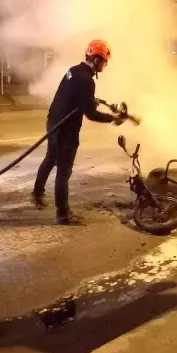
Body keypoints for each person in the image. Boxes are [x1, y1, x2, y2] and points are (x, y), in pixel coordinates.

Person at [32, 39, 126, 225]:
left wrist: (91, 100)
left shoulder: (73, 70)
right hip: (66, 130)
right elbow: (90, 114)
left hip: (53, 122)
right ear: (97, 59)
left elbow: (74, 95)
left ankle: (37, 194)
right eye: (105, 61)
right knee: (63, 172)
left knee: (50, 158)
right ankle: (63, 214)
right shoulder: (87, 81)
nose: (105, 65)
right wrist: (112, 119)